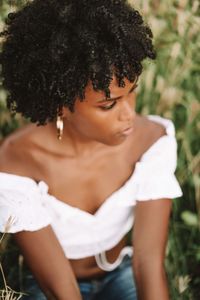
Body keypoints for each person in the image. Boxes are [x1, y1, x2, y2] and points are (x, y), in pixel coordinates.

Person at [0, 0, 183, 299]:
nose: (128, 115)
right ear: (61, 104)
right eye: (109, 104)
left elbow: (148, 265)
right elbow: (62, 291)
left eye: (132, 92)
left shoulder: (152, 142)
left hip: (122, 275)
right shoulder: (15, 165)